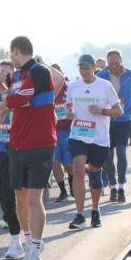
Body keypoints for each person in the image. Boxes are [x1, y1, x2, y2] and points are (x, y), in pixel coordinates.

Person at [0, 36, 56, 260]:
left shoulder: (39, 71)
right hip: (18, 143)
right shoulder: (18, 75)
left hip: (41, 144)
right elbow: (17, 101)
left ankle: (34, 252)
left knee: (33, 198)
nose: (10, 57)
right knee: (20, 198)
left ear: (15, 50)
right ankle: (29, 240)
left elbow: (22, 97)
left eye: (11, 53)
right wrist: (5, 103)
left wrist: (6, 100)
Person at [65, 54, 122, 229]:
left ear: (94, 68)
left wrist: (101, 111)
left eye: (87, 68)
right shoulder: (73, 86)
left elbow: (118, 111)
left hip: (99, 137)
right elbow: (69, 109)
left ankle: (95, 210)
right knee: (78, 170)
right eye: (81, 68)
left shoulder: (105, 86)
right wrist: (69, 113)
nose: (84, 72)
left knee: (95, 174)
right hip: (78, 134)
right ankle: (80, 215)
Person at [0, 69, 24, 259]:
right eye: (1, 72)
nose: (3, 76)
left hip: (21, 150)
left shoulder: (23, 93)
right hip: (0, 150)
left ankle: (31, 239)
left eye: (7, 73)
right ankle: (15, 240)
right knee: (6, 196)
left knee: (25, 196)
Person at [97, 50, 131, 204]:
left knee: (122, 153)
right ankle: (113, 187)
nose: (114, 66)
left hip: (124, 118)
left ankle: (122, 186)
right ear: (107, 62)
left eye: (117, 63)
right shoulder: (102, 75)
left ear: (121, 61)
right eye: (111, 64)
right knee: (108, 156)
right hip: (107, 120)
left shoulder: (130, 74)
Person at [50, 64, 72, 203]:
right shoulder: (47, 90)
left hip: (69, 131)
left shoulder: (70, 88)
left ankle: (73, 184)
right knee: (55, 163)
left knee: (69, 164)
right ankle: (63, 191)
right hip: (52, 132)